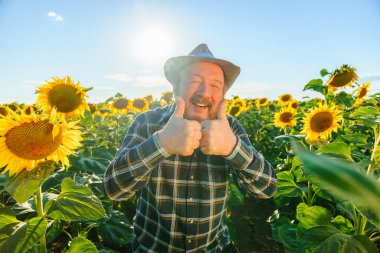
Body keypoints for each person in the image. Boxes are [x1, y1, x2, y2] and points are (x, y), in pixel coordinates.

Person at [104, 44, 277, 253]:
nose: (204, 92)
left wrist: (232, 147)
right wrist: (161, 144)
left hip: (214, 248)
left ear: (222, 95)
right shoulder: (148, 123)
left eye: (215, 85)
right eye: (194, 81)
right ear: (175, 87)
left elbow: (266, 188)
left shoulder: (230, 129)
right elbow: (113, 190)